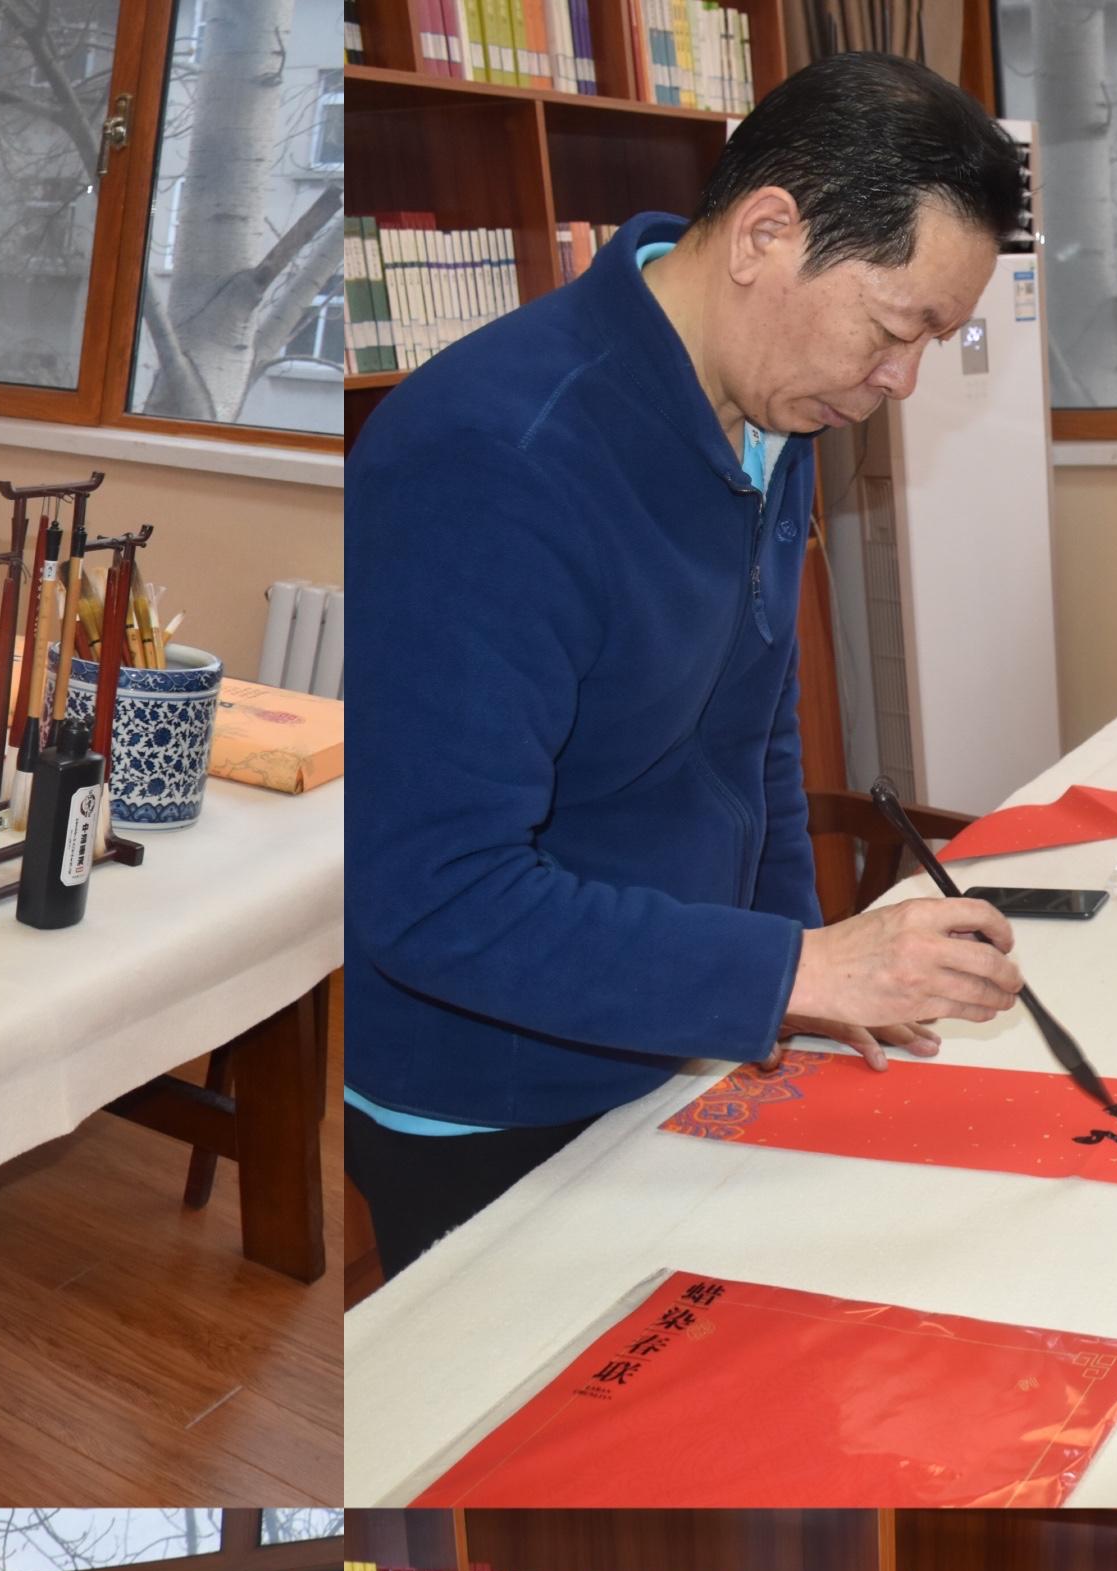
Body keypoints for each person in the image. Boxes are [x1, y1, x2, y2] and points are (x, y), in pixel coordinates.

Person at [344, 53, 1039, 1277]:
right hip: (499, 1100)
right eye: (895, 329)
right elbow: (432, 895)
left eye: (937, 339)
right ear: (767, 234)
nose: (901, 382)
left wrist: (798, 980)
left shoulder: (773, 405)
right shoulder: (492, 459)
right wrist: (793, 968)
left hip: (682, 1035)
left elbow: (751, 732)